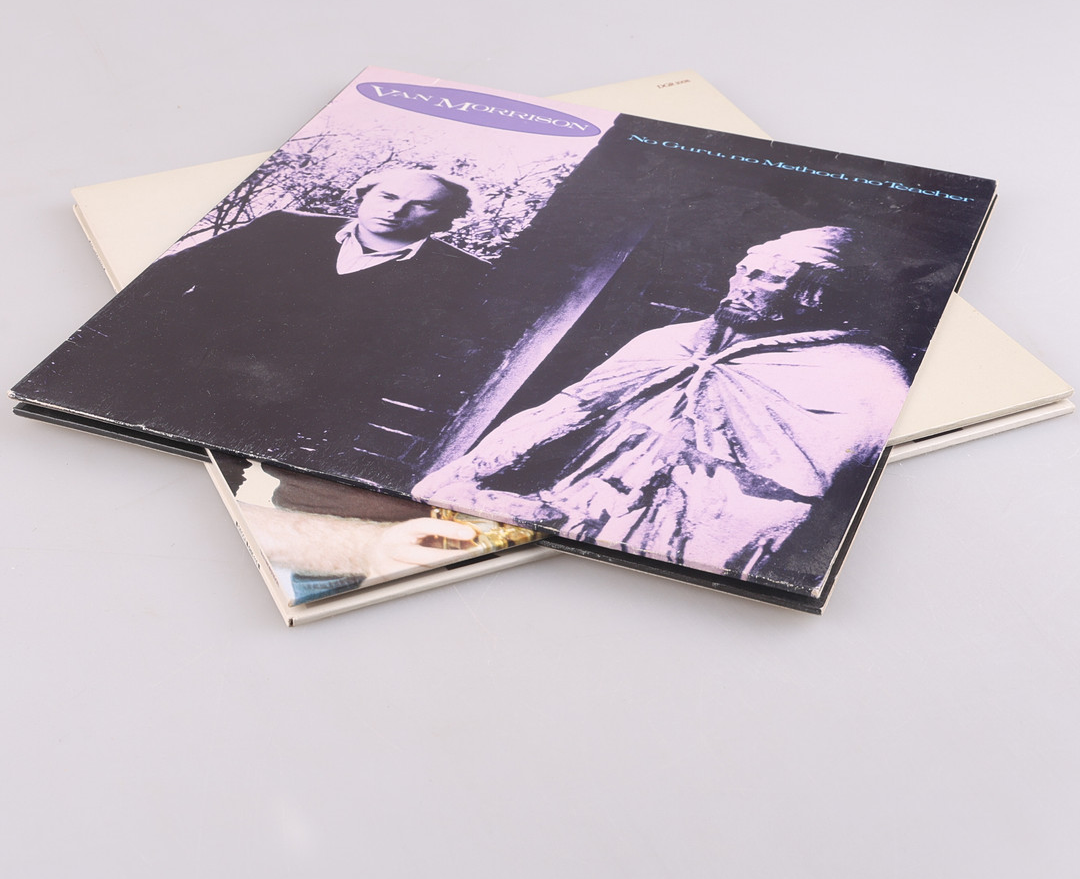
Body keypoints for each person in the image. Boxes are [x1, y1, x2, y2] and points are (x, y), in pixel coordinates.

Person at [412, 226, 911, 588]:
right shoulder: (670, 341)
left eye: (770, 280)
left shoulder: (864, 379)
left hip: (695, 561)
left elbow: (794, 507)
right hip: (573, 518)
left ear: (818, 294)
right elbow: (563, 411)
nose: (742, 285)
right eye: (744, 271)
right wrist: (458, 475)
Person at [25, 168, 489, 479]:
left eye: (420, 205)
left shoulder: (460, 276)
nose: (396, 209)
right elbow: (169, 277)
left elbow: (413, 362)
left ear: (446, 219)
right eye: (387, 195)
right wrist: (120, 343)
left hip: (273, 415)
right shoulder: (285, 227)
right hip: (170, 375)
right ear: (364, 195)